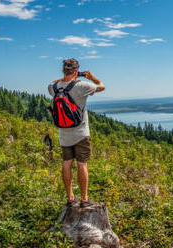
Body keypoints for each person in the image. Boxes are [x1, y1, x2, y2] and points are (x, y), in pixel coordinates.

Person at [48, 58, 105, 208]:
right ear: (76, 71)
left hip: (64, 134)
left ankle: (70, 198)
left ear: (63, 70)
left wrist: (64, 78)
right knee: (82, 164)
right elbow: (102, 86)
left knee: (67, 163)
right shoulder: (82, 85)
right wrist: (92, 78)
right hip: (81, 133)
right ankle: (84, 199)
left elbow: (52, 83)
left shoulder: (54, 86)